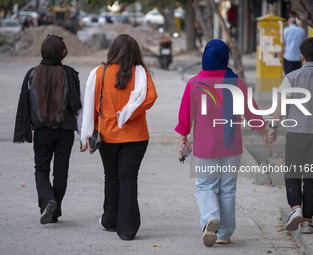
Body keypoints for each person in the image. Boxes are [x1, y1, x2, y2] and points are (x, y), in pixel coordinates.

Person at [175, 39, 269, 247]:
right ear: (225, 57)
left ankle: (210, 217)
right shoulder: (236, 82)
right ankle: (224, 233)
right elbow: (251, 110)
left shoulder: (194, 83)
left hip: (205, 146)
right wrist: (263, 131)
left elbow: (185, 115)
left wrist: (184, 137)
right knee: (227, 188)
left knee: (205, 186)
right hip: (231, 146)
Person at [81, 34, 157, 241]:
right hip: (136, 137)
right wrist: (129, 112)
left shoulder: (99, 73)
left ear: (112, 51)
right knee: (128, 179)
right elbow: (151, 98)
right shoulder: (142, 74)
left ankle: (110, 220)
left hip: (107, 136)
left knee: (111, 177)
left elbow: (92, 107)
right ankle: (127, 229)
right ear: (136, 52)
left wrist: (88, 136)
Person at [268, 37, 313, 233]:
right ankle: (307, 221)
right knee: (312, 176)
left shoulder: (291, 77)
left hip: (296, 133)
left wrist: (273, 126)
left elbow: (282, 105)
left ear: (301, 57)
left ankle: (295, 208)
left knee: (292, 172)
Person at [13, 34, 83, 224]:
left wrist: (27, 129)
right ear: (62, 52)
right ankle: (54, 210)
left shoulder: (32, 74)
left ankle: (48, 201)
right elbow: (77, 106)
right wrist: (84, 133)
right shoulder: (69, 73)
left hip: (42, 131)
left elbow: (25, 105)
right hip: (65, 131)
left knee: (41, 169)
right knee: (61, 172)